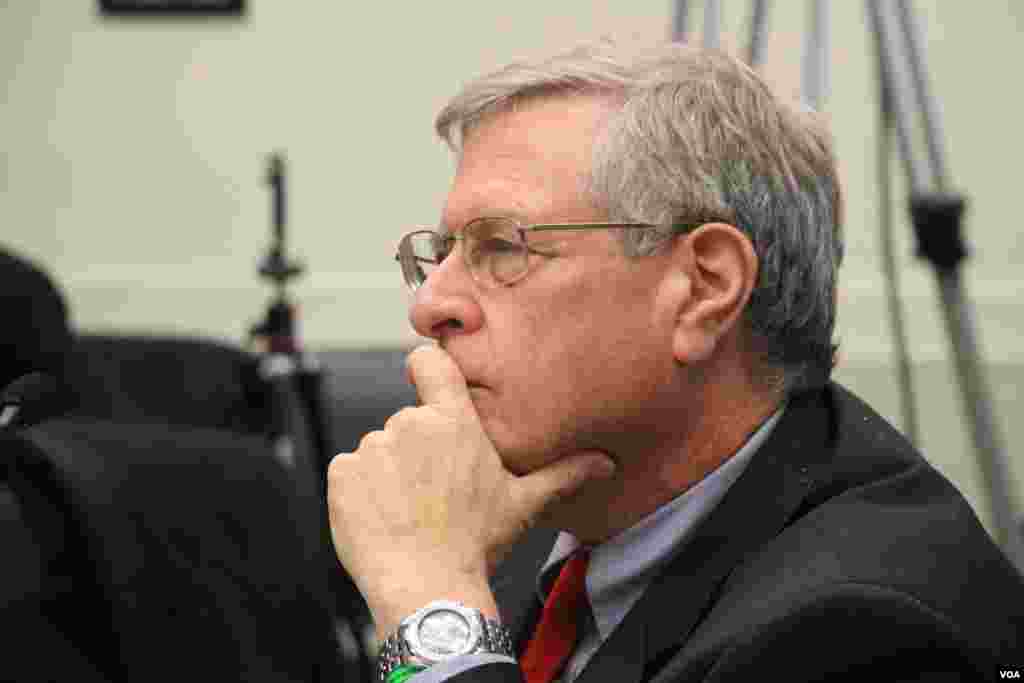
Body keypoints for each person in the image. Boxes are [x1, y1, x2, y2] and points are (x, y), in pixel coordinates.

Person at [326, 40, 1024, 682]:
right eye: (441, 253)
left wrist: (432, 608)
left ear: (703, 289)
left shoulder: (862, 632)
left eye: (502, 247)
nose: (430, 307)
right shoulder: (558, 532)